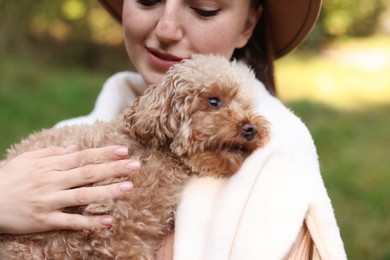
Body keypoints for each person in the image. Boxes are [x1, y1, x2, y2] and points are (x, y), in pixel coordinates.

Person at [1, 0, 347, 259]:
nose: (166, 29)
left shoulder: (276, 164)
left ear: (248, 23)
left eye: (204, 8)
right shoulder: (70, 134)